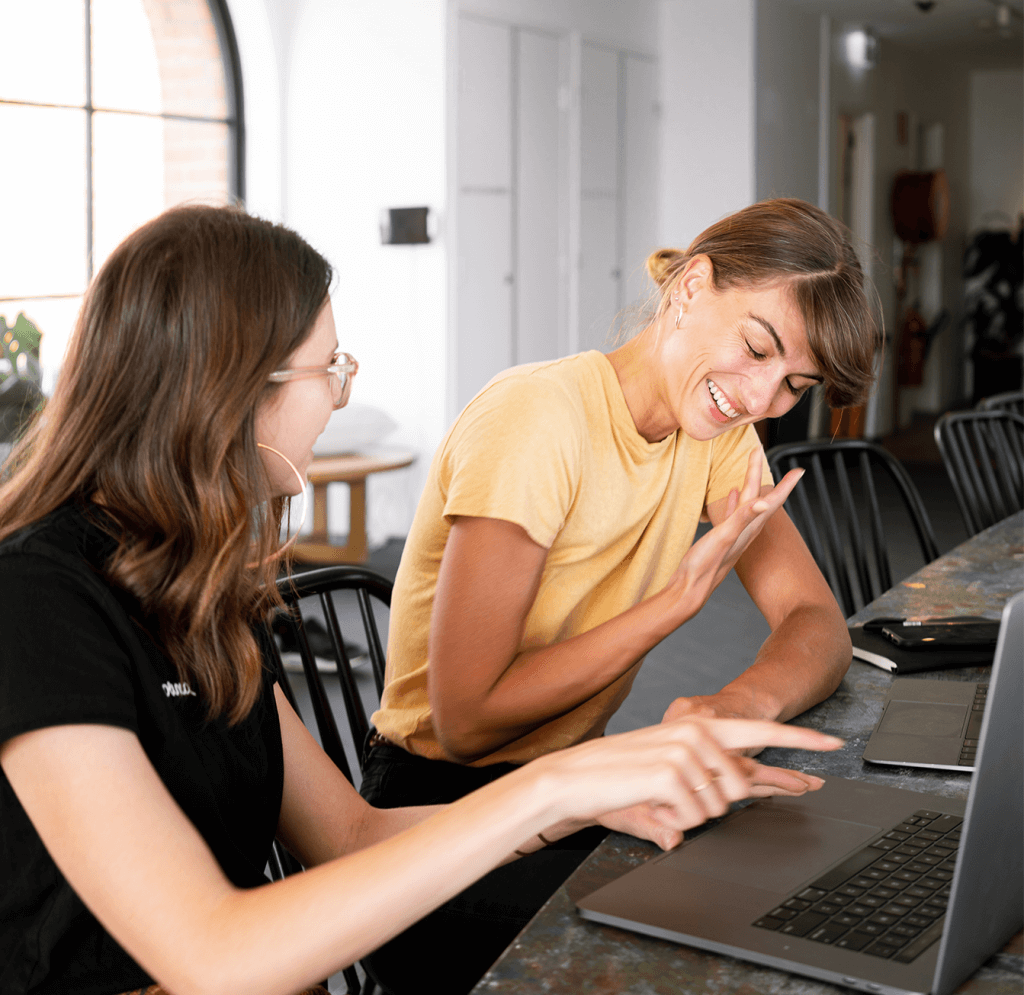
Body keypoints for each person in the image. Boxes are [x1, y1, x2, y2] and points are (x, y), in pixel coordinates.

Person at [0, 205, 845, 995]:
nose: (339, 394)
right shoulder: (37, 597)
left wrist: (581, 790)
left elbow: (351, 836)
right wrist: (555, 787)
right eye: (329, 368)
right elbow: (212, 953)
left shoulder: (193, 584)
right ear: (232, 387)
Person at [361, 198, 879, 992]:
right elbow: (464, 723)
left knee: (775, 887)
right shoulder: (538, 417)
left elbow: (816, 624)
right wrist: (669, 606)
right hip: (436, 820)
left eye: (793, 383)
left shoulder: (717, 436)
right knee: (702, 941)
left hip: (575, 791)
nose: (761, 396)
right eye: (755, 348)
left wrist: (734, 706)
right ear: (691, 286)